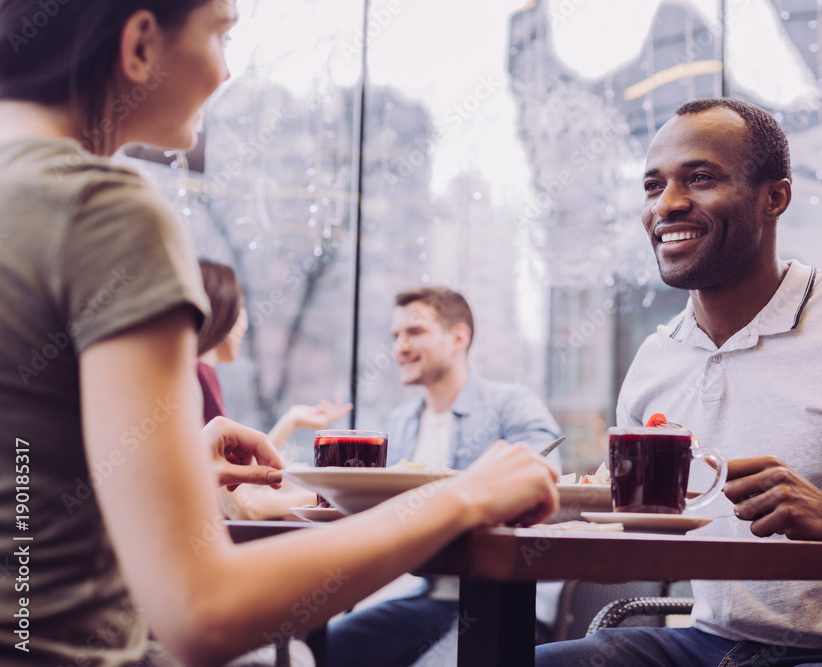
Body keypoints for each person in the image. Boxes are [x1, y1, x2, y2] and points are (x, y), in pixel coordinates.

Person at [0, 3, 559, 665]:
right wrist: (461, 494)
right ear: (140, 45)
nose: (226, 70)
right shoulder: (103, 208)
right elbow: (201, 611)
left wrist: (163, 464)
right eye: (221, 34)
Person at [536, 97, 822, 666]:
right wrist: (556, 507)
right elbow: (637, 542)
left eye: (700, 178)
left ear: (774, 197)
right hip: (703, 641)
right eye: (653, 186)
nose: (669, 204)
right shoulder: (657, 359)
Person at [326, 286, 562, 666]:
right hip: (426, 595)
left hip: (500, 599)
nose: (400, 346)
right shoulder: (399, 423)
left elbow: (543, 480)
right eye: (396, 336)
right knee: (321, 649)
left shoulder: (512, 405)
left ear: (458, 337)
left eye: (414, 332)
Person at [196, 258, 353, 518]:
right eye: (241, 306)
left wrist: (291, 420)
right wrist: (334, 498)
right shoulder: (199, 375)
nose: (244, 321)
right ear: (221, 308)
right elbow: (242, 506)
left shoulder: (202, 375)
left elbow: (234, 483)